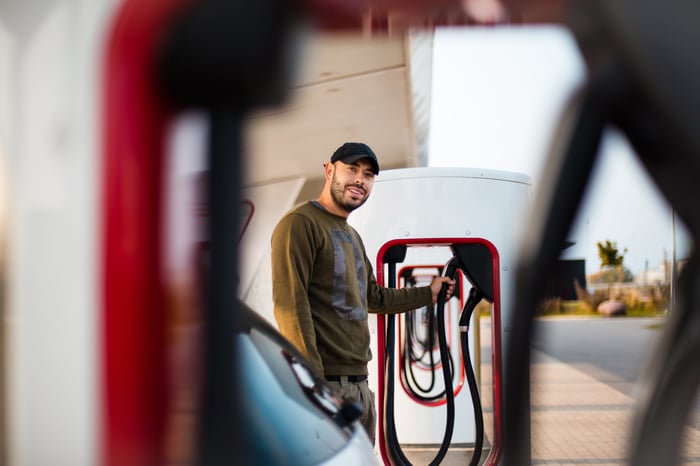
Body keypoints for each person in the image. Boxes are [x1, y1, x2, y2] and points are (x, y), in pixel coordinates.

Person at [271, 142, 455, 443]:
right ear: (329, 171)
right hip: (328, 384)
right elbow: (291, 306)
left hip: (359, 387)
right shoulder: (300, 224)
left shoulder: (351, 235)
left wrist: (428, 293)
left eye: (368, 175)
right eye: (351, 169)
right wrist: (315, 388)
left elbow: (374, 297)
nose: (360, 179)